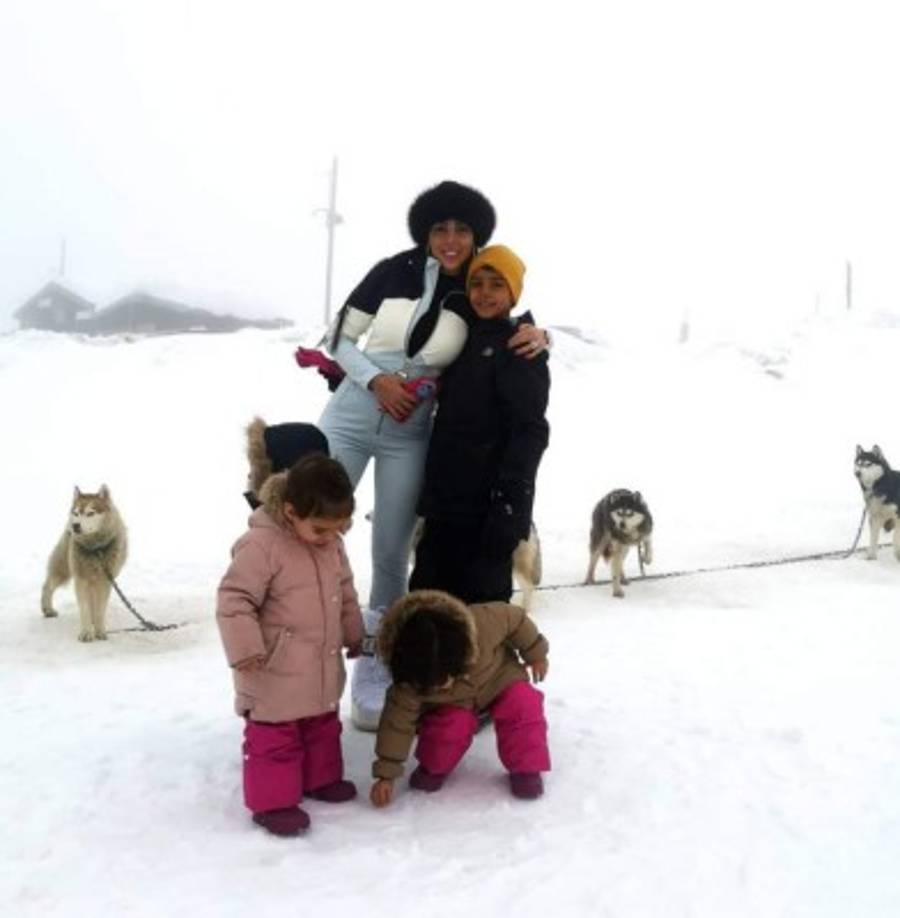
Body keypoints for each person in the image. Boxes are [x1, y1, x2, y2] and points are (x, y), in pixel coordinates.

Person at [318, 180, 548, 730]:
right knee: (310, 523)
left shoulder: (471, 295)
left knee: (392, 549)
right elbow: (339, 339)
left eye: (462, 230)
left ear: (476, 238)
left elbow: (503, 323)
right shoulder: (390, 271)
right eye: (440, 228)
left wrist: (543, 335)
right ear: (425, 231)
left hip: (409, 432)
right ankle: (305, 642)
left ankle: (378, 659)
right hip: (353, 413)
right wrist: (376, 381)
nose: (450, 239)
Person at [216, 451, 364, 837]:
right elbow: (234, 600)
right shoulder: (260, 545)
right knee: (274, 737)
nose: (330, 538)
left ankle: (321, 779)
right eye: (320, 530)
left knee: (321, 727)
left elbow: (344, 589)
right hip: (270, 668)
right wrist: (244, 647)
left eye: (340, 529)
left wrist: (353, 630)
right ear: (291, 510)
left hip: (318, 662)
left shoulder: (331, 542)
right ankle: (273, 802)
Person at [409, 244, 549, 603]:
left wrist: (509, 507)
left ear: (513, 293)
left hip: (486, 512)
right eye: (478, 283)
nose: (485, 294)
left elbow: (530, 432)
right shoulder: (462, 337)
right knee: (427, 612)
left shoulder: (520, 348)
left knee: (479, 623)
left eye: (497, 285)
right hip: (444, 506)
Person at [368, 589, 551, 807]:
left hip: (498, 679)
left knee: (523, 703)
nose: (444, 684)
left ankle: (526, 769)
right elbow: (396, 724)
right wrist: (386, 774)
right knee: (449, 727)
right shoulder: (409, 680)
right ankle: (433, 767)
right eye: (433, 684)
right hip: (452, 705)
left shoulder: (484, 622)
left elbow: (517, 620)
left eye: (447, 675)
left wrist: (536, 653)